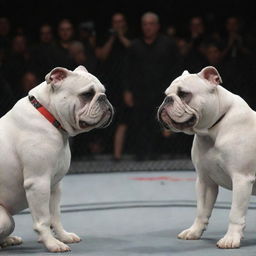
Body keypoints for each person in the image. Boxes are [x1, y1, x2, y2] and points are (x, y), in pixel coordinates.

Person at [120, 12, 180, 160]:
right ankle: (140, 154)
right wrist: (127, 91)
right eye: (145, 24)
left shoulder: (168, 44)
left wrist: (175, 91)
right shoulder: (134, 45)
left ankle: (157, 154)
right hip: (140, 91)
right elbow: (127, 70)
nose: (148, 27)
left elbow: (177, 68)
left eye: (151, 24)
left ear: (158, 26)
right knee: (140, 123)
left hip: (163, 91)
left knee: (161, 121)